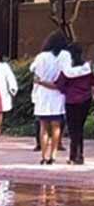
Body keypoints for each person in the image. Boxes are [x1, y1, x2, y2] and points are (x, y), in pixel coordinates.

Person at [51, 43, 94, 165]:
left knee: (73, 129)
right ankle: (79, 155)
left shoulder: (67, 70)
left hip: (71, 101)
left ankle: (73, 155)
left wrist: (68, 91)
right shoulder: (87, 68)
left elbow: (59, 85)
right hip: (85, 100)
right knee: (79, 128)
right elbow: (92, 82)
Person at [30, 31, 68, 165]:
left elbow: (32, 70)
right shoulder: (64, 56)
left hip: (42, 94)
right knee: (56, 126)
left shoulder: (41, 56)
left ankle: (43, 155)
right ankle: (53, 155)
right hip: (57, 94)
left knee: (43, 126)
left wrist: (40, 80)